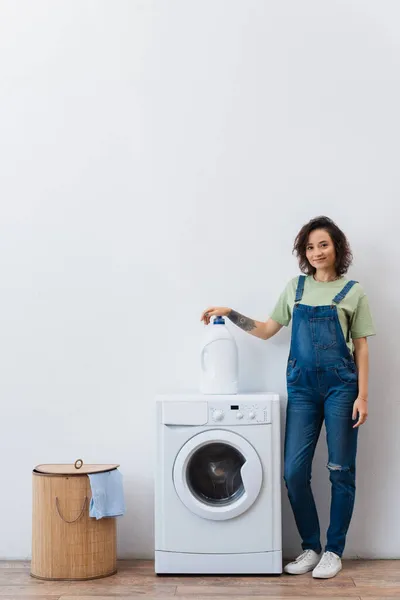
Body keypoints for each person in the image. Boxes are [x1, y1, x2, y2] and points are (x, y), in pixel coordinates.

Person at [200, 216, 375, 579]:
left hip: (343, 387)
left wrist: (363, 396)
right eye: (310, 247)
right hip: (302, 390)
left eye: (323, 245)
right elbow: (266, 331)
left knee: (341, 471)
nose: (316, 252)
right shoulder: (295, 288)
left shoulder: (353, 292)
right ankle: (310, 547)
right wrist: (230, 313)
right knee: (294, 472)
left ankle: (334, 550)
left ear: (337, 248)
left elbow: (361, 347)